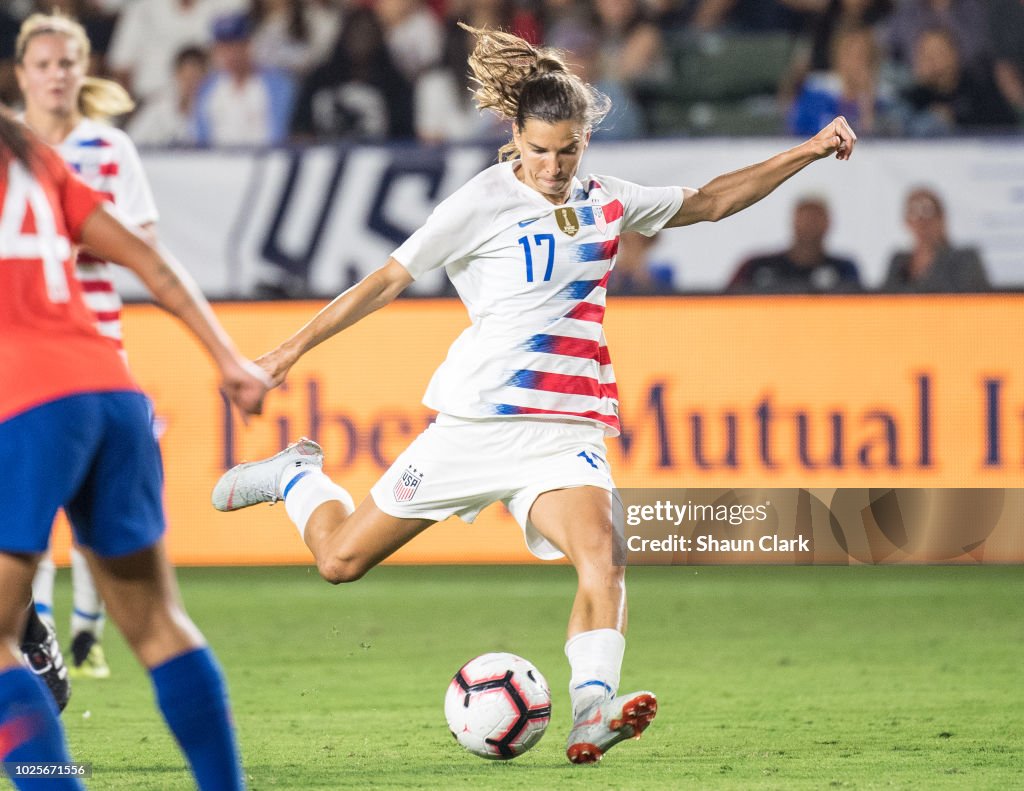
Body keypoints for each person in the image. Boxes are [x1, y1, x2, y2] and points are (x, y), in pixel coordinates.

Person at [212, 24, 856, 765]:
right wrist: (290, 349)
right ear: (515, 135)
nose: (552, 166)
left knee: (604, 556)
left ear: (585, 140)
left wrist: (807, 150)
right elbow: (387, 279)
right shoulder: (478, 202)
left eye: (567, 150)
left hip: (563, 433)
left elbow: (711, 201)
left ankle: (591, 710)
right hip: (474, 427)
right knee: (339, 561)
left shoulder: (610, 201)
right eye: (539, 150)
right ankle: (298, 476)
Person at [0, 109, 266, 789]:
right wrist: (228, 359)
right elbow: (147, 256)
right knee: (156, 623)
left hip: (23, 402)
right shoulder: (31, 154)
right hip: (112, 391)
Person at [14, 11, 160, 682]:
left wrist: (66, 235)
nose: (56, 75)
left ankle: (87, 633)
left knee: (92, 508)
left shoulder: (109, 149)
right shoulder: (10, 146)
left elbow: (145, 244)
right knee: (28, 499)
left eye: (66, 63)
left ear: (84, 70)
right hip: (21, 349)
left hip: (98, 342)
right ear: (21, 74)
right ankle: (37, 630)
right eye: (43, 64)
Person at [193, 11, 295, 147]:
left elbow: (287, 133)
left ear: (248, 45)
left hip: (265, 161)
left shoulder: (279, 86)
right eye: (223, 47)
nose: (229, 54)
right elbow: (200, 138)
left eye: (235, 46)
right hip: (216, 163)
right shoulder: (207, 89)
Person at [727, 195, 861, 292]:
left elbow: (859, 310)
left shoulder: (844, 269)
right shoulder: (756, 266)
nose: (809, 225)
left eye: (815, 219)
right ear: (793, 222)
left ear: (828, 223)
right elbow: (726, 305)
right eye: (804, 219)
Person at [882, 187, 989, 292]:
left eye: (927, 212)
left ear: (941, 218)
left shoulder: (964, 260)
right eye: (914, 213)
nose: (922, 222)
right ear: (906, 221)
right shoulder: (898, 262)